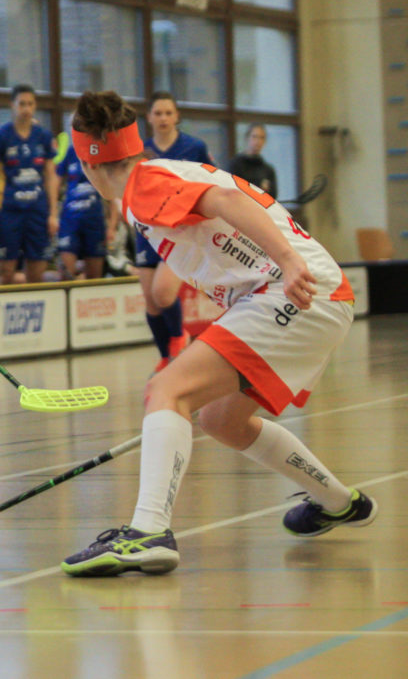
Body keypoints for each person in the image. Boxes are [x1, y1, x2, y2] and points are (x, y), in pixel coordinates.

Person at [60, 90, 372, 577]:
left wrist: (288, 261)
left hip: (293, 289)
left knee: (167, 389)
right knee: (222, 420)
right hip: (310, 293)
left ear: (87, 163)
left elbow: (225, 200)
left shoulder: (143, 185)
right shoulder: (155, 179)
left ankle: (147, 531)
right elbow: (198, 249)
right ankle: (338, 502)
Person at [135, 91, 214, 371]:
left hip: (179, 231)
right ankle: (166, 358)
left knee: (163, 293)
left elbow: (212, 182)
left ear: (177, 116)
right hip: (147, 231)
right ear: (149, 117)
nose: (163, 118)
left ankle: (181, 337)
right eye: (158, 113)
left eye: (168, 113)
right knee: (151, 302)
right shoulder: (140, 151)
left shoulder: (194, 147)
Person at [0, 85, 58, 285]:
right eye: (22, 104)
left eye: (30, 104)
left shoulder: (44, 137)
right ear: (13, 105)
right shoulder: (0, 137)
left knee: (37, 272)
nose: (26, 109)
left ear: (35, 106)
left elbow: (51, 176)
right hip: (9, 211)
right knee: (5, 272)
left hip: (37, 210)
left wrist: (53, 214)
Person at [56, 145, 116, 280]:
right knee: (66, 274)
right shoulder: (71, 152)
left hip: (94, 221)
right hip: (70, 220)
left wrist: (112, 227)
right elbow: (56, 180)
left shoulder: (101, 152)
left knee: (94, 277)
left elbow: (112, 195)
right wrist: (53, 214)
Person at [229, 124, 278, 197]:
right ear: (247, 138)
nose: (258, 141)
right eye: (254, 137)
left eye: (261, 138)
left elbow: (273, 196)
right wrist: (259, 186)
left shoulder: (268, 170)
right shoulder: (235, 165)